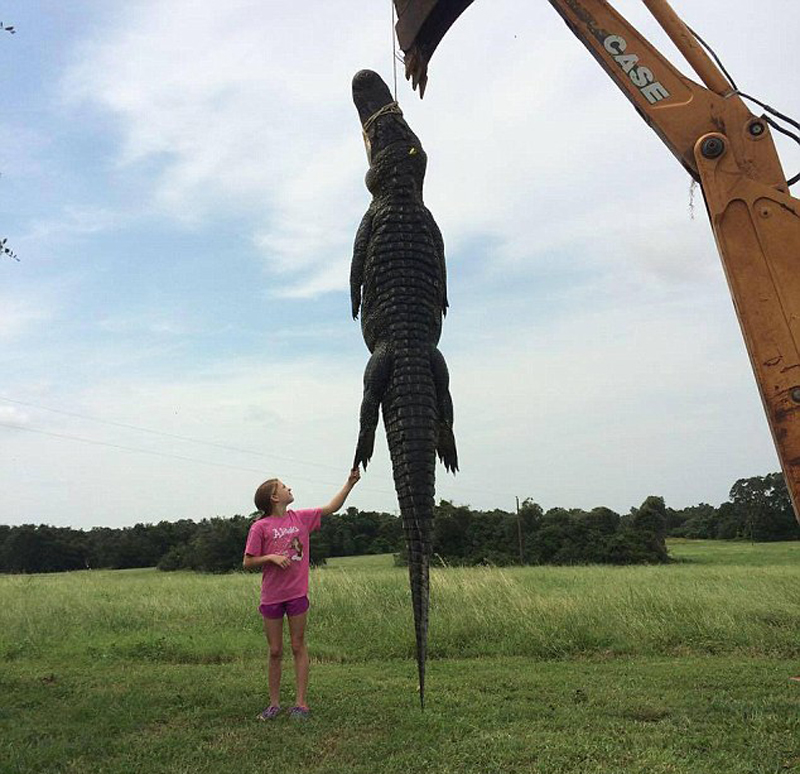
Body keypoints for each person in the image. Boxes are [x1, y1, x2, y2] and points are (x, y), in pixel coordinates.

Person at [243, 470, 361, 720]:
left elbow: (331, 508)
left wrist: (349, 484)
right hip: (272, 596)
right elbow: (248, 561)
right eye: (284, 487)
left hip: (297, 593)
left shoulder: (301, 518)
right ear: (274, 498)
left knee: (298, 645)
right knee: (275, 650)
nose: (289, 489)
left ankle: (300, 704)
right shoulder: (259, 527)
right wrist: (270, 557)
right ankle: (274, 704)